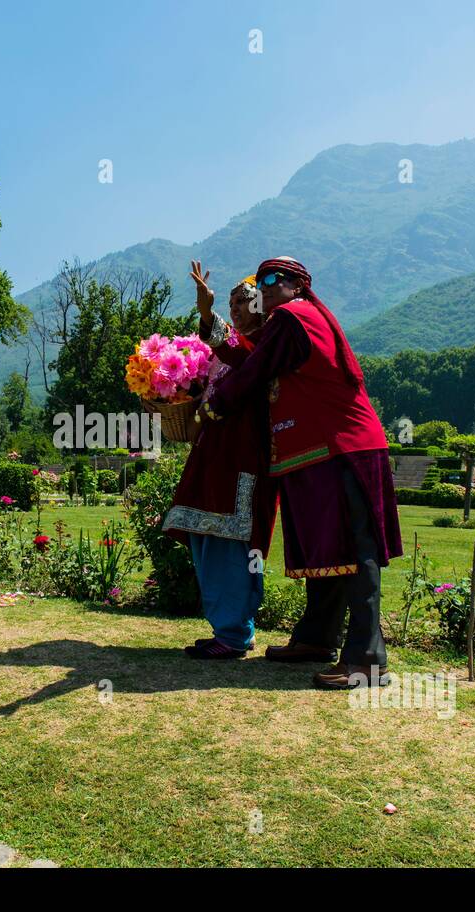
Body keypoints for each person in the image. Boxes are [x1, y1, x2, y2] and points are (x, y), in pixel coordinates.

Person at [201, 256, 402, 688]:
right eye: (262, 280)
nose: (267, 285)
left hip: (341, 447)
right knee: (330, 550)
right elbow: (249, 356)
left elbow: (255, 370)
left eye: (277, 278)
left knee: (355, 550)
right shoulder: (292, 320)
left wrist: (218, 403)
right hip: (318, 451)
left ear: (299, 285)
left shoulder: (292, 317)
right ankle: (316, 638)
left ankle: (367, 659)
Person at [162, 263, 277, 660]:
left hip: (241, 460)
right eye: (231, 304)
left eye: (243, 302)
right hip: (212, 457)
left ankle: (234, 632)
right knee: (205, 536)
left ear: (263, 305)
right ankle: (227, 629)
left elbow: (237, 351)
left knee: (232, 540)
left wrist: (207, 314)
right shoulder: (234, 350)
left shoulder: (264, 346)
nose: (237, 310)